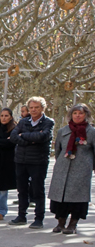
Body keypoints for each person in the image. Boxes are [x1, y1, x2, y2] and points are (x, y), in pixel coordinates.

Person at [49, 104, 95, 235]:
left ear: (86, 115)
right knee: (60, 197)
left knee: (77, 199)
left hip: (81, 170)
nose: (77, 116)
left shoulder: (91, 132)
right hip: (63, 169)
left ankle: (72, 224)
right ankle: (60, 223)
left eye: (80, 113)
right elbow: (58, 150)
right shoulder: (63, 131)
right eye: (75, 113)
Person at [10, 96, 54, 229]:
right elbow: (13, 137)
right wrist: (30, 139)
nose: (34, 110)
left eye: (37, 107)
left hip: (38, 161)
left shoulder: (48, 122)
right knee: (22, 189)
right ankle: (21, 215)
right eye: (31, 107)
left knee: (38, 190)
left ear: (43, 108)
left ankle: (39, 218)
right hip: (21, 160)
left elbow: (43, 136)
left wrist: (23, 136)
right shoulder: (23, 122)